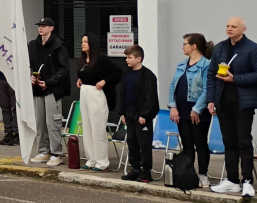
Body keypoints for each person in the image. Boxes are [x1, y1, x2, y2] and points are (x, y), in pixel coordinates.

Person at [207, 17, 257, 197]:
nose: (229, 29)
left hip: (243, 103)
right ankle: (232, 180)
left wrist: (235, 79)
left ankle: (247, 181)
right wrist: (211, 100)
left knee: (243, 141)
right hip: (223, 102)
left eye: (234, 26)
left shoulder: (254, 48)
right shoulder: (220, 47)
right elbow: (211, 75)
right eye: (227, 26)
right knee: (229, 141)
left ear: (244, 29)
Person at [168, 33, 213, 187]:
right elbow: (173, 86)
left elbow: (207, 90)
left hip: (197, 112)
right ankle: (188, 173)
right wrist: (173, 106)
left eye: (185, 44)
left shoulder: (206, 65)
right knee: (187, 144)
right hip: (181, 111)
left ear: (194, 46)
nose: (183, 47)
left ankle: (203, 174)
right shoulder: (181, 65)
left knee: (200, 143)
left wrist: (196, 109)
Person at [27, 17, 69, 166]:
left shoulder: (59, 45)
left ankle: (56, 153)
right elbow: (30, 64)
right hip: (38, 89)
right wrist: (32, 76)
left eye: (44, 26)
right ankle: (43, 151)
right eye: (39, 25)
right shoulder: (33, 45)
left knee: (53, 123)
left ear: (51, 28)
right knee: (40, 123)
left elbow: (63, 69)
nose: (41, 28)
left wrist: (49, 82)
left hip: (53, 90)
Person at [76, 34, 121, 171]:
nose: (83, 44)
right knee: (87, 128)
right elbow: (84, 74)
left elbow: (118, 73)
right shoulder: (84, 60)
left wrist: (104, 81)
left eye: (86, 42)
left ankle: (102, 162)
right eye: (82, 41)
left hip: (97, 94)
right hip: (84, 92)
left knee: (98, 129)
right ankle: (91, 159)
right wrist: (80, 79)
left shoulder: (101, 60)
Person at [118, 45, 160, 182]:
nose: (127, 60)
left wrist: (145, 114)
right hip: (129, 114)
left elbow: (151, 97)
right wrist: (122, 112)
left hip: (141, 116)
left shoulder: (148, 75)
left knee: (144, 143)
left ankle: (146, 171)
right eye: (126, 57)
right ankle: (135, 168)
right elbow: (122, 93)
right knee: (132, 141)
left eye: (129, 58)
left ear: (139, 58)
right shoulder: (127, 73)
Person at [0, 67, 18, 146]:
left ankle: (16, 133)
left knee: (15, 107)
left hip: (13, 78)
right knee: (5, 108)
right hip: (0, 79)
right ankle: (8, 132)